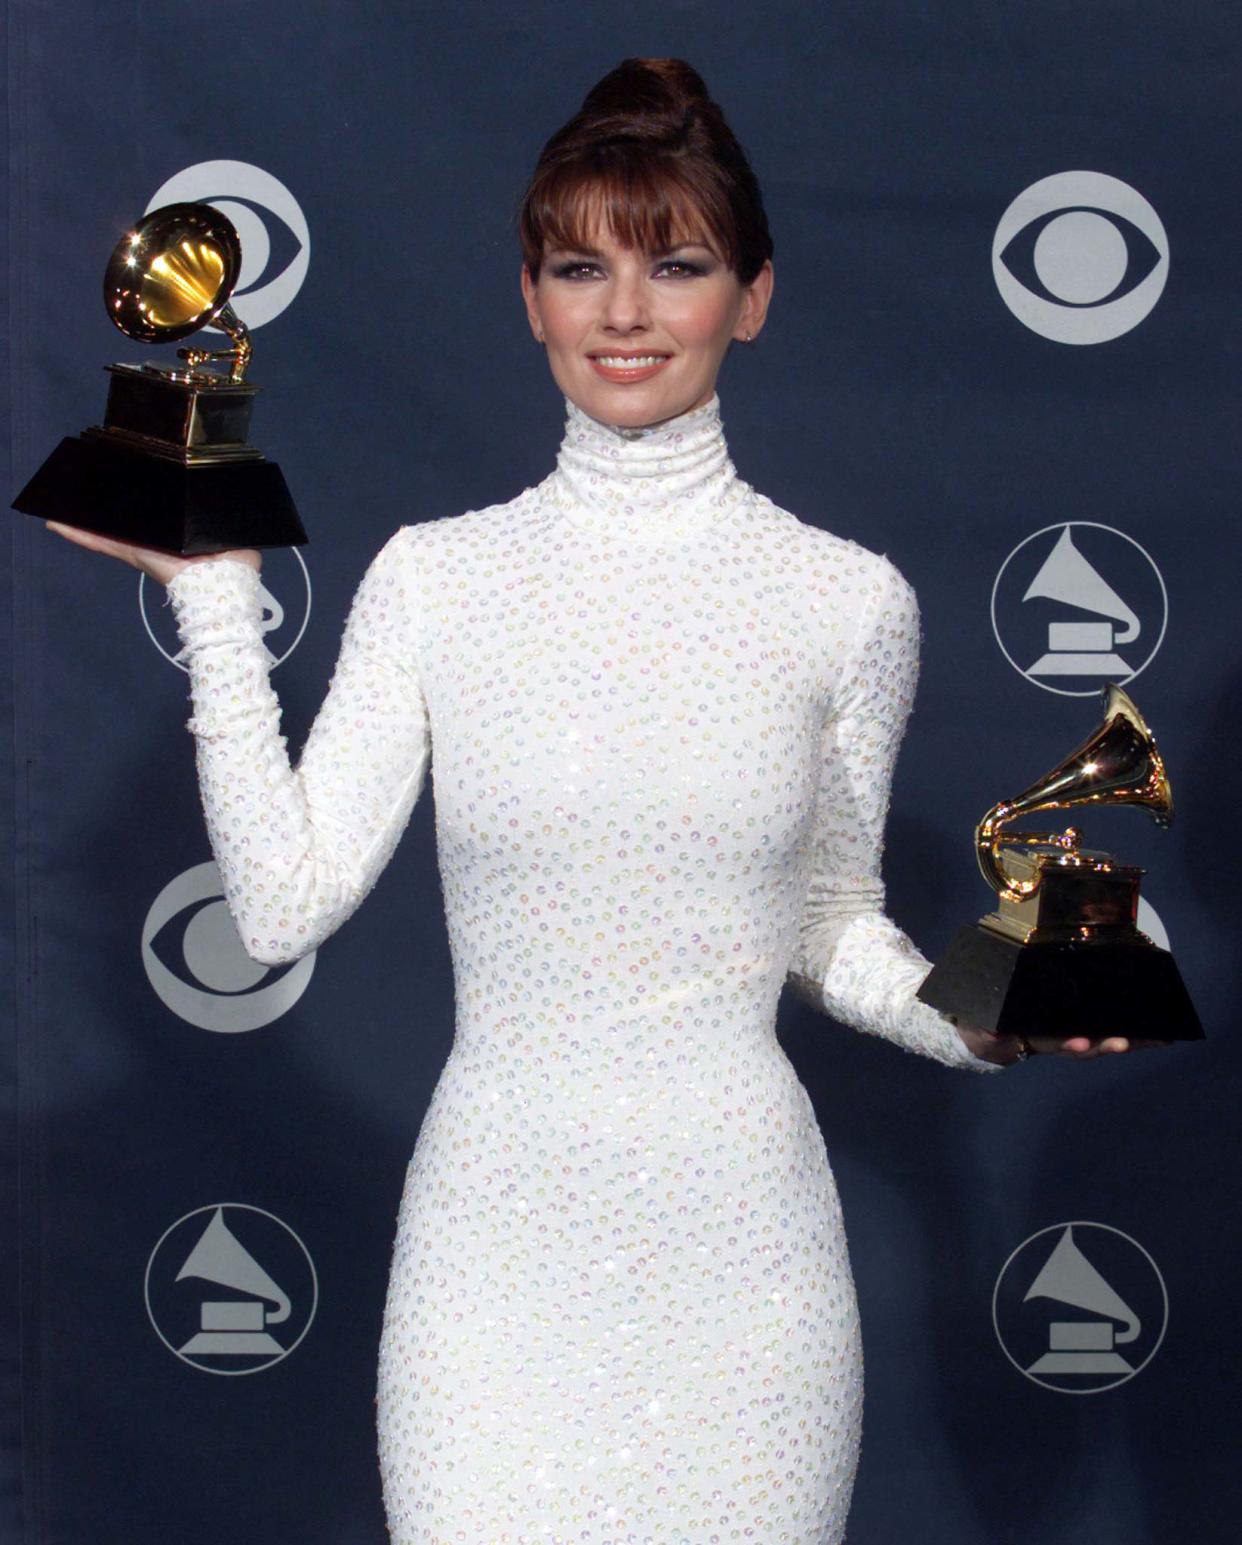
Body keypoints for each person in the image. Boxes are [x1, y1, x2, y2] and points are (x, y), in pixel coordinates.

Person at [48, 56, 1158, 1545]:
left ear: (750, 296)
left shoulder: (846, 605)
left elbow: (828, 926)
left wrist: (976, 1013)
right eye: (580, 267)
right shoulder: (436, 581)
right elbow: (281, 900)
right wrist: (216, 599)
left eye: (674, 265)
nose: (623, 313)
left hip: (744, 1269)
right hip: (491, 1268)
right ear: (529, 297)